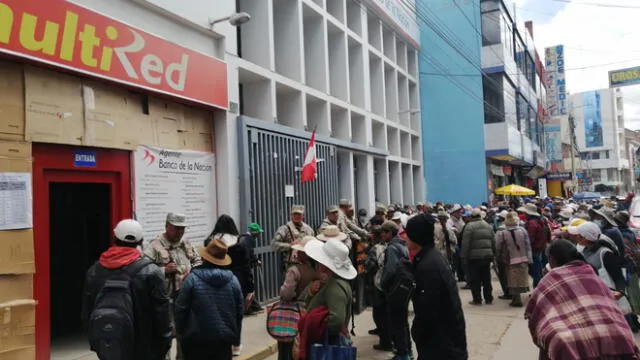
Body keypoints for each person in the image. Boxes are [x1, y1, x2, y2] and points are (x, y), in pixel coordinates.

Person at [525, 239, 639, 360]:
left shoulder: (550, 278)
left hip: (567, 342)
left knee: (553, 341)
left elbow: (536, 315)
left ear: (552, 259)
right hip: (614, 335)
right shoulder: (590, 272)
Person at [82, 219, 172, 360]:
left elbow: (87, 312)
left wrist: (99, 340)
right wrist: (164, 343)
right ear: (140, 241)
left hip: (110, 344)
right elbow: (161, 314)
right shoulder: (151, 271)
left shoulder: (95, 270)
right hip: (144, 347)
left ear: (114, 238)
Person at [405, 214, 468, 360]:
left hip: (441, 346)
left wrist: (417, 332)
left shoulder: (428, 266)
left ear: (415, 237)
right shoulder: (432, 257)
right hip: (446, 341)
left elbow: (427, 311)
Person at [174, 239, 243, 360]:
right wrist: (236, 339)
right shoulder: (233, 281)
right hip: (223, 341)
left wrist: (182, 334)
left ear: (204, 258)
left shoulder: (192, 279)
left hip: (195, 341)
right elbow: (239, 312)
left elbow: (180, 310)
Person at [144, 212, 201, 360]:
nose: (179, 232)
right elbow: (144, 272)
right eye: (176, 228)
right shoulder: (154, 246)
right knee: (165, 334)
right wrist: (163, 270)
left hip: (186, 297)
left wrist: (193, 273)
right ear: (167, 226)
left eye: (182, 229)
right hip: (165, 299)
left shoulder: (186, 243)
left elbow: (198, 261)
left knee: (185, 332)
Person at [204, 215, 251, 355]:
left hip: (214, 281)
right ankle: (235, 345)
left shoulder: (210, 241)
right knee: (236, 313)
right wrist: (250, 288)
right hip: (237, 280)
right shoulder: (239, 242)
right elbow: (245, 266)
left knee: (217, 312)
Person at [303, 238, 357, 351]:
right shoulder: (332, 283)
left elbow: (336, 320)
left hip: (329, 344)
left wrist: (314, 327)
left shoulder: (335, 287)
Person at [276, 236, 319, 360]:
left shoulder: (294, 271)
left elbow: (287, 294)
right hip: (308, 313)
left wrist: (282, 290)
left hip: (291, 315)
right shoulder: (316, 271)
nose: (297, 253)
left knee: (286, 349)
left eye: (300, 251)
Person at [379, 221, 412, 359]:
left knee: (397, 322)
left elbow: (390, 270)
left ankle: (402, 353)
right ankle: (407, 350)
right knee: (403, 321)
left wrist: (383, 283)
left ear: (389, 233)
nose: (381, 235)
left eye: (383, 232)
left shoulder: (392, 248)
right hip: (404, 288)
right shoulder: (403, 245)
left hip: (395, 289)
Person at [495, 212, 531, 307]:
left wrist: (497, 257)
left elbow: (498, 247)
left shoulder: (502, 233)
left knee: (512, 279)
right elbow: (528, 245)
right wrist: (529, 258)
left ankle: (516, 299)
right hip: (523, 258)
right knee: (521, 278)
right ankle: (517, 298)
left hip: (510, 259)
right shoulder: (523, 230)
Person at [461, 208, 496, 305]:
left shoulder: (469, 226)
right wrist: (494, 253)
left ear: (471, 216)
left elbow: (465, 243)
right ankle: (489, 298)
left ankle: (477, 299)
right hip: (487, 256)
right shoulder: (487, 225)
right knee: (486, 278)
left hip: (474, 257)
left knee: (475, 279)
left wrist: (464, 256)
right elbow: (493, 240)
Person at [272, 205, 315, 271]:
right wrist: (290, 245)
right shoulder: (284, 229)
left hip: (307, 264)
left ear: (303, 215)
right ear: (291, 215)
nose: (297, 216)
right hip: (291, 265)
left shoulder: (309, 230)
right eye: (295, 214)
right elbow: (274, 245)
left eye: (299, 214)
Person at [523, 204, 551, 288]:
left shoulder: (532, 224)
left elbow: (530, 238)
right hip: (540, 248)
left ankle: (538, 288)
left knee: (535, 271)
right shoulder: (540, 221)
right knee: (537, 269)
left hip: (534, 249)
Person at [241, 223, 265, 315]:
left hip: (240, 267)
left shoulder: (242, 237)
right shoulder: (249, 239)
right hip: (245, 267)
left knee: (246, 288)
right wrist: (256, 260)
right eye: (258, 233)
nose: (259, 235)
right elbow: (249, 253)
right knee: (249, 288)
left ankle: (251, 307)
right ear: (255, 232)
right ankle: (249, 308)